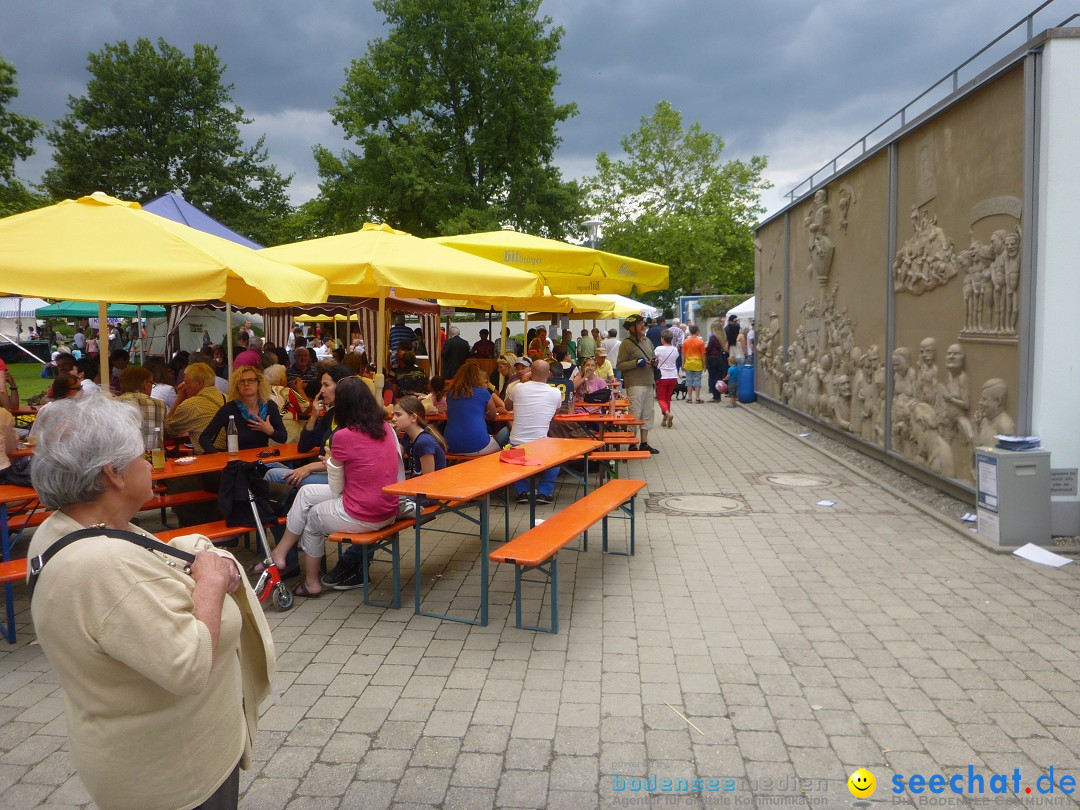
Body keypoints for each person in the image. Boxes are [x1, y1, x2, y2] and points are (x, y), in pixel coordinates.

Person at [27, 393, 274, 810]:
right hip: (176, 776)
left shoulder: (67, 528)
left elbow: (142, 566)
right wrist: (211, 584)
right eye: (142, 455)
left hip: (157, 756)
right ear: (113, 474)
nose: (150, 462)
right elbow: (189, 664)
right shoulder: (102, 565)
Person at [269, 377, 401, 598]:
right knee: (305, 492)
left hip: (364, 512)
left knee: (312, 519)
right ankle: (281, 552)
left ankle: (311, 583)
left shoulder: (343, 436)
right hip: (388, 506)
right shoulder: (385, 427)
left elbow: (337, 487)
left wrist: (331, 462)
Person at [505, 359, 564, 504]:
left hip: (516, 445)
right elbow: (553, 416)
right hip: (540, 447)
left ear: (531, 371)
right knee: (558, 458)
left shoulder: (518, 388)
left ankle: (522, 491)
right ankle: (544, 491)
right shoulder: (555, 393)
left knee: (511, 452)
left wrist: (523, 382)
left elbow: (507, 407)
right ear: (549, 374)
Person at [200, 366, 287, 454]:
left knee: (282, 468)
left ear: (259, 384)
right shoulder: (229, 409)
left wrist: (270, 431)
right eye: (241, 381)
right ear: (237, 387)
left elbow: (283, 438)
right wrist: (216, 455)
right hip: (238, 462)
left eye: (251, 380)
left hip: (264, 459)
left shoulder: (270, 406)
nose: (246, 384)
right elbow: (204, 437)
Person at [614, 314, 660, 454]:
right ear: (632, 328)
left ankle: (644, 442)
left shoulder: (647, 341)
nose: (642, 325)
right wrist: (635, 363)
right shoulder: (626, 343)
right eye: (640, 324)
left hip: (648, 381)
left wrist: (654, 362)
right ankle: (632, 442)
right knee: (635, 412)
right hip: (635, 383)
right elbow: (620, 365)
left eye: (642, 323)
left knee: (648, 412)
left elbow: (652, 355)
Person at [444, 362, 504, 456]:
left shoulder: (451, 393)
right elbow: (493, 415)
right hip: (477, 445)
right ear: (478, 377)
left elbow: (449, 413)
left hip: (450, 445)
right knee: (498, 452)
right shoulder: (483, 393)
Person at [165, 361, 227, 454]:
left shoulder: (191, 405)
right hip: (232, 455)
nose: (184, 387)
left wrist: (180, 398)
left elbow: (168, 431)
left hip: (208, 460)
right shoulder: (228, 398)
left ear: (199, 383)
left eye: (186, 382)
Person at [394, 395, 448, 479]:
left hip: (432, 488)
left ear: (413, 417)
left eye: (398, 415)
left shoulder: (423, 442)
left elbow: (428, 480)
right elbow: (395, 458)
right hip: (417, 484)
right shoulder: (408, 436)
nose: (393, 419)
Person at [117, 366, 167, 450]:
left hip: (124, 460)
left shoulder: (112, 404)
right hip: (153, 458)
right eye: (152, 383)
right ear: (146, 383)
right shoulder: (159, 405)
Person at [265, 363, 310, 444]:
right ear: (282, 380)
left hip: (268, 436)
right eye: (285, 377)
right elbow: (306, 408)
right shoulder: (286, 391)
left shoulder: (262, 393)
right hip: (289, 435)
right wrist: (300, 389)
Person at [655, 329, 680, 428]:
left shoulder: (659, 349)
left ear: (662, 339)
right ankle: (665, 419)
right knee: (667, 398)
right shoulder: (675, 349)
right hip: (673, 375)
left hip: (662, 376)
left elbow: (654, 359)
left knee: (661, 398)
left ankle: (668, 414)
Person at [682, 324, 706, 403]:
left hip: (688, 364)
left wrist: (683, 364)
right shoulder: (700, 342)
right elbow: (703, 355)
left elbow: (683, 354)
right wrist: (704, 365)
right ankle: (697, 398)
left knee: (689, 381)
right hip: (697, 364)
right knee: (697, 381)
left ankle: (689, 398)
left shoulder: (685, 341)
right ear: (697, 332)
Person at [706, 320, 728, 402]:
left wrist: (705, 348)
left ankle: (715, 396)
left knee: (712, 378)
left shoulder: (713, 338)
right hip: (720, 359)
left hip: (712, 359)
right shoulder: (723, 336)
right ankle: (718, 395)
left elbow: (708, 349)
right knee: (718, 378)